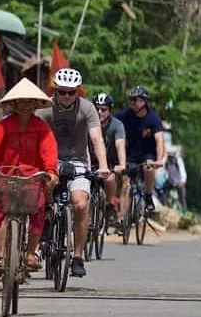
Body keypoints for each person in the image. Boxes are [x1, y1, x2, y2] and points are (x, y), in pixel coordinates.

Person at [0, 79, 60, 291]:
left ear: (34, 105)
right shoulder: (2, 126)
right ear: (14, 104)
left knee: (39, 208)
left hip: (31, 180)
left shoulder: (42, 128)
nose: (24, 106)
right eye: (20, 102)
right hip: (4, 180)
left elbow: (49, 152)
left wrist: (50, 171)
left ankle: (31, 252)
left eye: (28, 103)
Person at [33, 68, 111, 278]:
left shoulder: (87, 108)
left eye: (71, 92)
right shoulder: (44, 109)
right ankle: (47, 220)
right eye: (62, 92)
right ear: (55, 91)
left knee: (80, 204)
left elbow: (96, 139)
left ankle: (77, 257)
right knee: (44, 192)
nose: (67, 96)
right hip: (51, 160)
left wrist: (102, 165)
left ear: (78, 92)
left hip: (78, 161)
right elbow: (35, 138)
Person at [115, 85, 166, 215]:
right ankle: (122, 218)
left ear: (144, 101)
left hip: (148, 153)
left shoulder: (153, 118)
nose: (132, 102)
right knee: (126, 182)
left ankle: (148, 196)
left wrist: (159, 160)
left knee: (148, 169)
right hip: (130, 153)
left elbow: (159, 140)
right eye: (131, 99)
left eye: (135, 99)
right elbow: (110, 121)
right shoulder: (125, 115)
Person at [92, 92, 127, 221]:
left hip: (110, 163)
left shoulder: (117, 126)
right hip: (91, 162)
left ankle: (109, 204)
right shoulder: (87, 123)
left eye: (104, 109)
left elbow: (120, 145)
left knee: (110, 179)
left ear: (110, 111)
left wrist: (122, 164)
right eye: (97, 108)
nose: (99, 112)